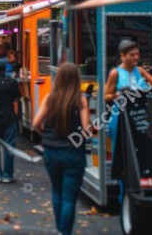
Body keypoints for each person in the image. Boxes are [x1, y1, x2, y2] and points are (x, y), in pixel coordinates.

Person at [32, 63, 91, 235]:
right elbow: (86, 129)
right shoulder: (80, 100)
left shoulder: (50, 98)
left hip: (51, 152)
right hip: (73, 153)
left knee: (56, 191)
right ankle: (64, 232)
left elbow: (36, 122)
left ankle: (59, 229)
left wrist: (44, 133)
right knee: (69, 197)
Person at [105, 40, 152, 149]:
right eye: (132, 55)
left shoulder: (140, 71)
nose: (136, 57)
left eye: (137, 54)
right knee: (122, 149)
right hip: (120, 116)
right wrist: (117, 95)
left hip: (139, 116)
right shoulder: (115, 73)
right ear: (122, 56)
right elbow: (106, 96)